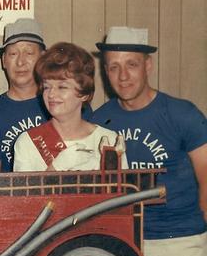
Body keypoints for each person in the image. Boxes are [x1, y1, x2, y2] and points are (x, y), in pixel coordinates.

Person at [91, 26, 207, 256]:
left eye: (131, 65)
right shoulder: (101, 119)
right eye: (113, 67)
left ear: (149, 66)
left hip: (179, 239)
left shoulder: (182, 114)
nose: (123, 75)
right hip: (126, 242)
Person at [13, 42, 126, 171]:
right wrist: (56, 167)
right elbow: (25, 192)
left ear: (84, 93)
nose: (51, 94)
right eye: (47, 87)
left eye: (62, 87)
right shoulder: (27, 142)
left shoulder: (110, 141)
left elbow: (125, 190)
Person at [0, 18, 49, 172]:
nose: (20, 62)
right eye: (13, 54)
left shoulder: (60, 105)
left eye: (29, 53)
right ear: (4, 60)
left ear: (43, 58)